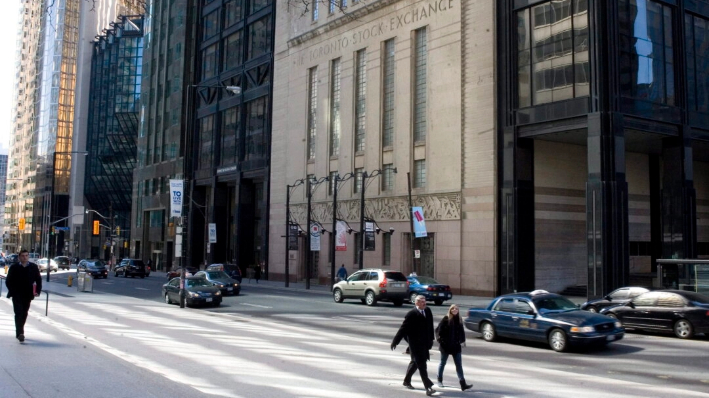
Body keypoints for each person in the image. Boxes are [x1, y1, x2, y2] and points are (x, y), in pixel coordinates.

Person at [391, 295, 436, 396]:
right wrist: (395, 341)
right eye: (421, 302)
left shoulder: (428, 311)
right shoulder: (411, 314)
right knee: (422, 366)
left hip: (425, 344)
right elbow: (403, 329)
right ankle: (428, 387)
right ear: (416, 303)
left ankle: (406, 381)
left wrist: (431, 339)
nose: (424, 303)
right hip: (415, 344)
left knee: (415, 363)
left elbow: (430, 326)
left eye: (424, 301)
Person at [5, 249, 42, 343]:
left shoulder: (33, 267)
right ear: (19, 257)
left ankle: (20, 330)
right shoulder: (14, 267)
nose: (24, 257)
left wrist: (37, 291)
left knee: (24, 313)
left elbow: (38, 280)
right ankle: (20, 333)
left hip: (28, 294)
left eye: (26, 255)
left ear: (28, 256)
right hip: (17, 294)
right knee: (18, 313)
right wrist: (12, 291)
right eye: (23, 256)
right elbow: (8, 281)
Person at [435, 304, 473, 391]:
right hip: (446, 346)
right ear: (450, 310)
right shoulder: (446, 319)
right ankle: (439, 380)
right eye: (453, 309)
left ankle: (463, 384)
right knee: (442, 363)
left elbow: (461, 332)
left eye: (456, 309)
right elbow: (438, 331)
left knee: (459, 365)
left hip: (456, 346)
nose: (455, 310)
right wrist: (441, 341)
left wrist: (462, 341)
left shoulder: (459, 320)